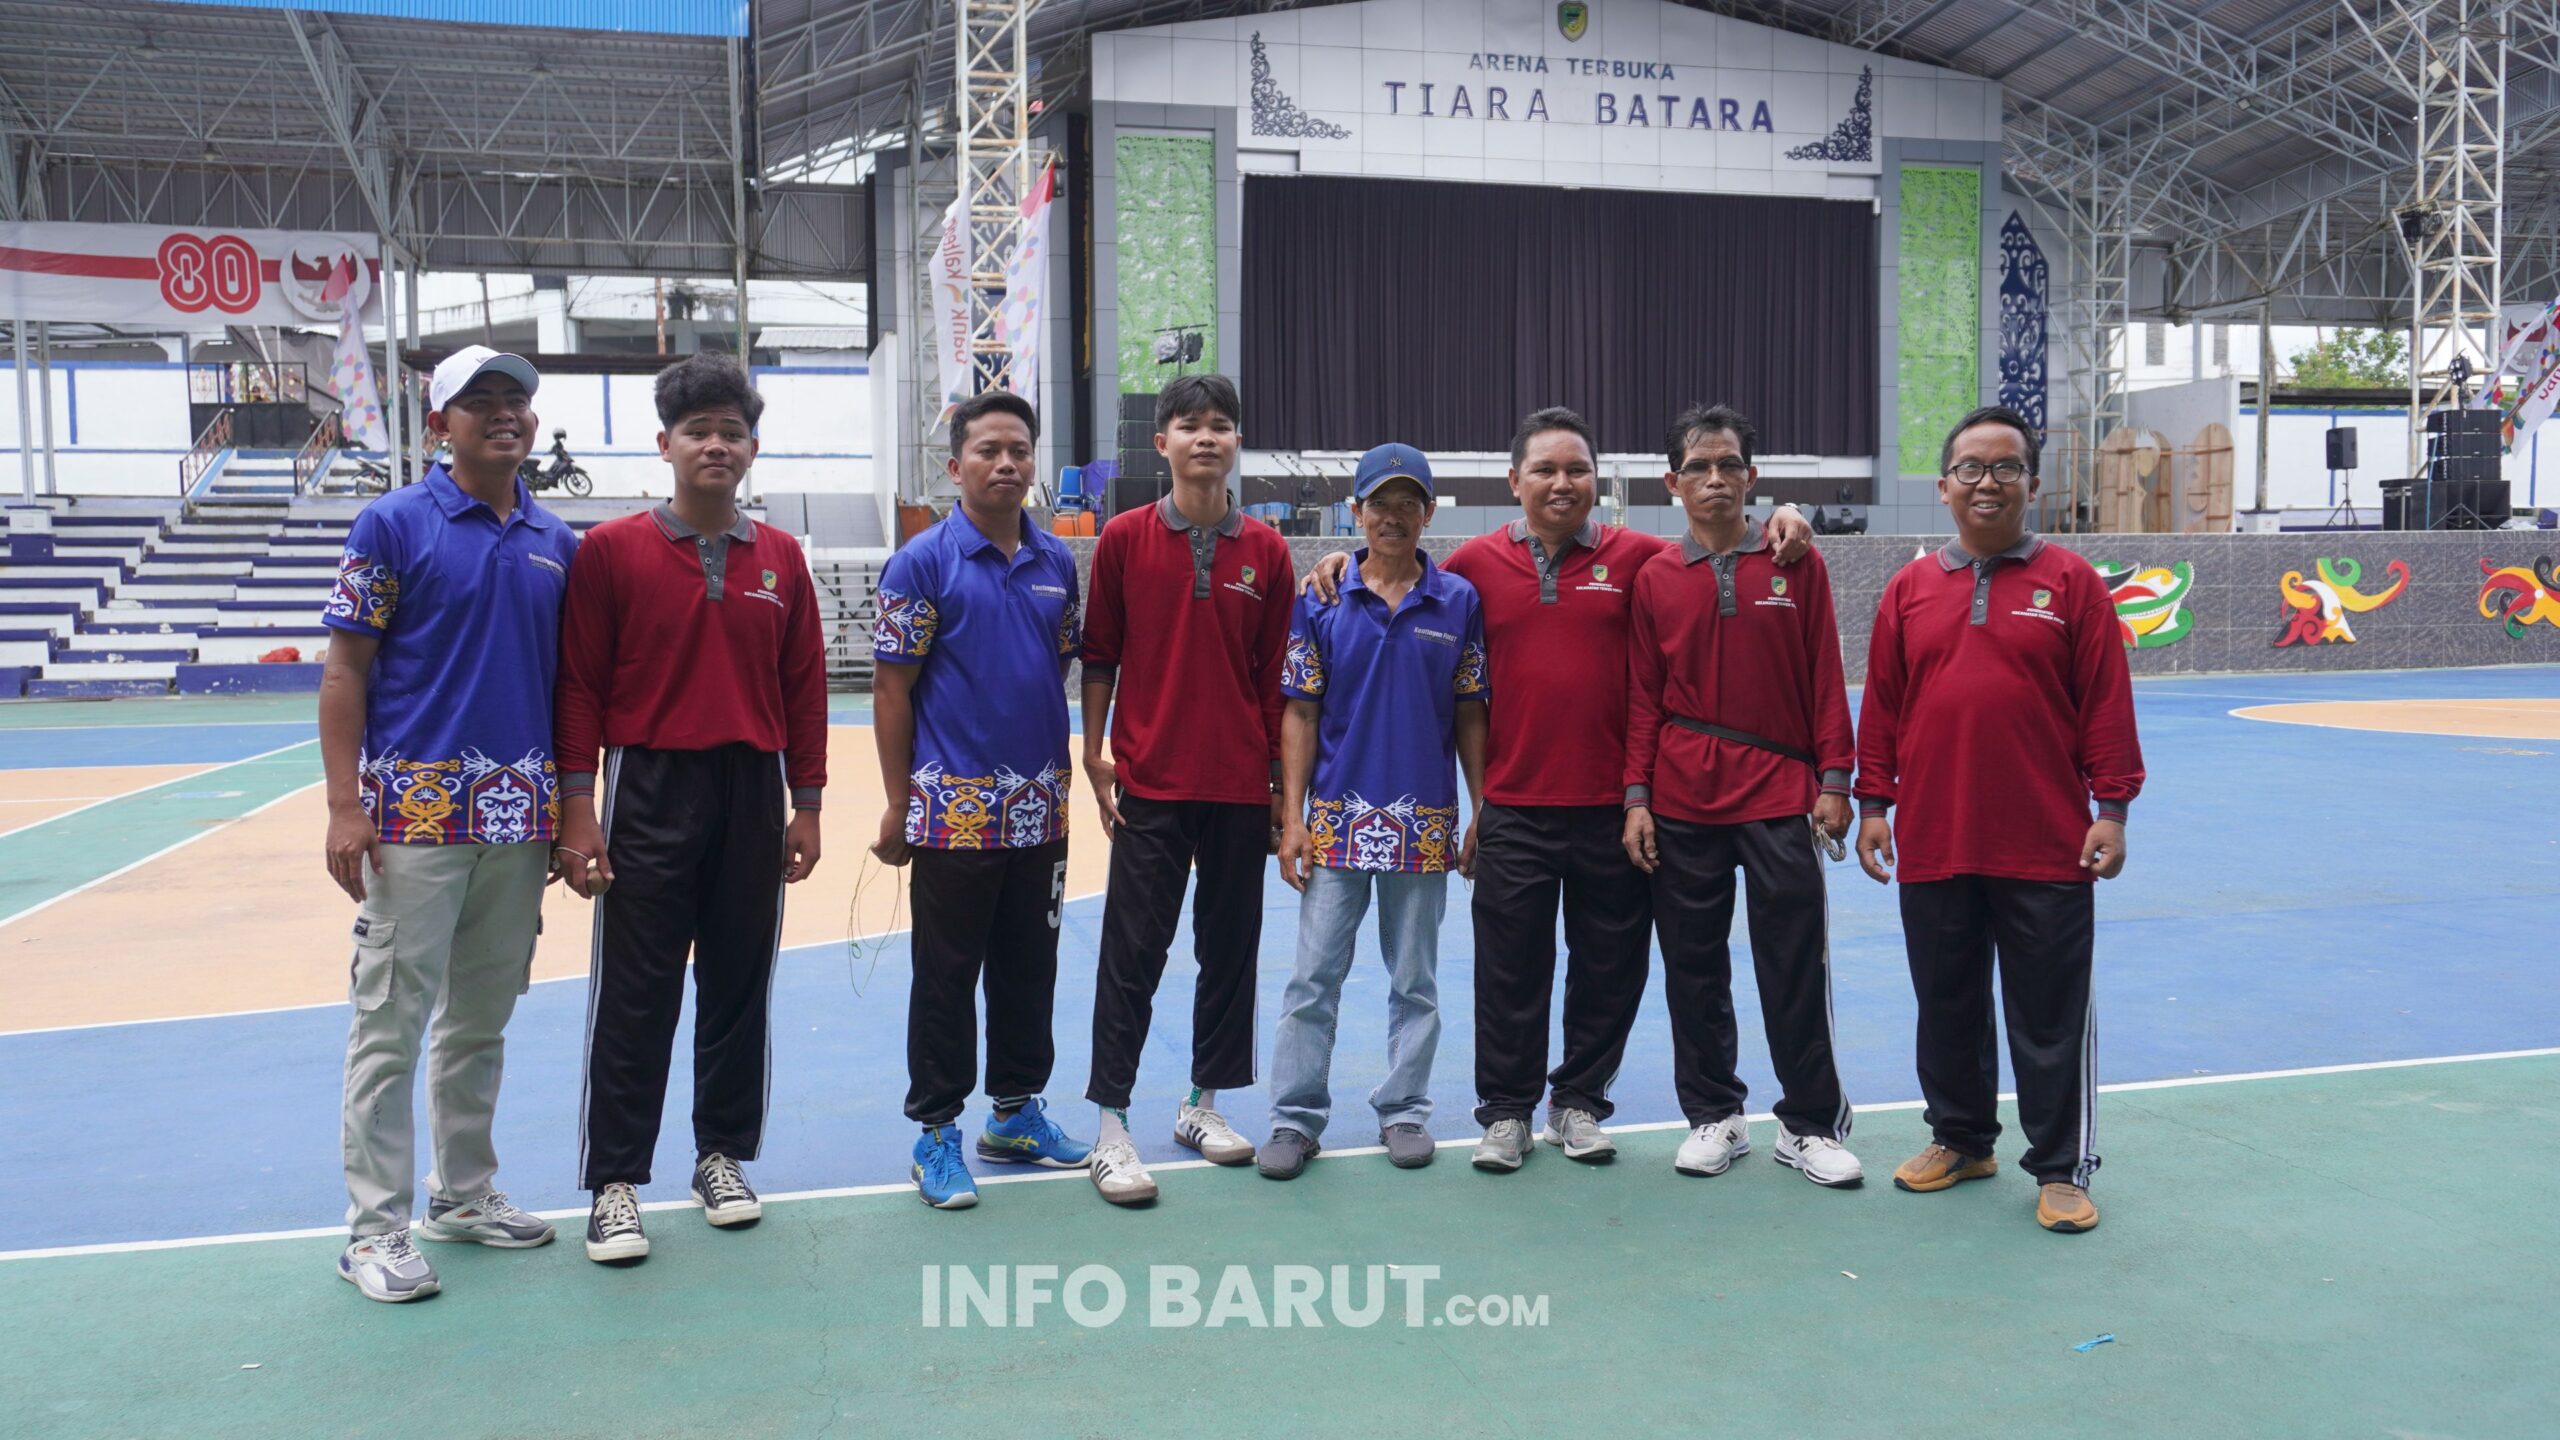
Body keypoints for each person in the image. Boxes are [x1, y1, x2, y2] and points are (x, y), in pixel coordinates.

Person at [1307, 409, 1812, 1173]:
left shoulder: (1639, 558)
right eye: (1544, 470)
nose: (1561, 483)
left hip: (1615, 812)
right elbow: (1401, 567)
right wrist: (1339, 561)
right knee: (1509, 970)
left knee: (1609, 970)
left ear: (1596, 482)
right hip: (1512, 809)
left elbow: (1716, 537)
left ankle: (1577, 1102)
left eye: (1577, 470)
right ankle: (1506, 1112)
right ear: (1516, 481)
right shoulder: (1475, 565)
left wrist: (1784, 515)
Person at [552, 353, 829, 1263]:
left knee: (739, 985)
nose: (716, 445)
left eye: (732, 432)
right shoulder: (610, 550)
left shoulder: (780, 558)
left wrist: (807, 804)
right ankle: (615, 1183)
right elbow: (579, 687)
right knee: (637, 992)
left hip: (752, 788)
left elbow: (804, 688)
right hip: (647, 785)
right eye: (698, 431)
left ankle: (722, 1158)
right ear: (663, 444)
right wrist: (579, 808)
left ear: (752, 448)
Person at [321, 345, 576, 1302]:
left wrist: (567, 814)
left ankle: (462, 1196)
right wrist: (344, 804)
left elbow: (568, 690)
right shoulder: (392, 523)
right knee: (390, 1025)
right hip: (411, 822)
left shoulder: (559, 541)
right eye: (480, 401)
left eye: (517, 400)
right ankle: (373, 1231)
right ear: (441, 425)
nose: (505, 413)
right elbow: (345, 669)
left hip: (518, 821)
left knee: (480, 1021)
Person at [1854, 404, 2144, 1234]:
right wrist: (1874, 804)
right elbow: (1884, 708)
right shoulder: (1910, 589)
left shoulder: (2073, 584)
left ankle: (2060, 1167)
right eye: (1971, 468)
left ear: (2033, 483)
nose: (1989, 482)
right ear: (1944, 486)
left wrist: (2112, 809)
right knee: (1946, 1003)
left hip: (2047, 843)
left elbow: (2106, 707)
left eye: (2006, 467)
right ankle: (1961, 1139)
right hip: (1935, 839)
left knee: (2049, 1014)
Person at [1622, 405, 1859, 1187]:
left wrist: (1835, 779)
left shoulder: (1797, 562)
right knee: (1692, 969)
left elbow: (1825, 674)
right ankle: (1714, 1114)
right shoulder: (1654, 577)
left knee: (1793, 965)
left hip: (1780, 794)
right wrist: (1637, 796)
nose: (1715, 478)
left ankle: (1809, 1124)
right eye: (1699, 467)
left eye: (1729, 465)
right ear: (1673, 483)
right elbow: (1642, 698)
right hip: (1683, 800)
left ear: (1752, 477)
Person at [870, 391, 1094, 1210]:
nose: (1006, 463)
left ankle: (1015, 1114)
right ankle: (936, 1132)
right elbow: (892, 690)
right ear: (955, 465)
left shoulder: (1056, 561)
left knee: (1029, 971)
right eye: (989, 450)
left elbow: (1056, 665)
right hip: (950, 816)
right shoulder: (922, 562)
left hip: (1040, 811)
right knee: (946, 980)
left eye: (1019, 450)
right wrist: (900, 801)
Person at [1080, 373, 1295, 1206]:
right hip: (1152, 780)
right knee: (1131, 955)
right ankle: (1111, 1126)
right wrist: (1095, 752)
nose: (1207, 437)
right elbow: (1101, 655)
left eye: (1222, 425)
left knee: (1229, 951)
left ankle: (1203, 1104)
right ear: (1162, 441)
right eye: (1191, 424)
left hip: (1238, 785)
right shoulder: (1124, 540)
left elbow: (1275, 683)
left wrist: (1280, 790)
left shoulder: (1268, 551)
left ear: (1237, 442)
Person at [1261, 444, 1489, 1180]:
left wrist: (1480, 807)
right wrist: (1295, 818)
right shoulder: (1322, 598)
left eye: (1407, 504)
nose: (1393, 516)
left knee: (1415, 981)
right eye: (1379, 504)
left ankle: (1405, 1109)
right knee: (1312, 980)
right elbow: (1299, 711)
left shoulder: (1457, 602)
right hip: (1336, 823)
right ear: (1356, 512)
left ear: (1428, 513)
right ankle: (1295, 1118)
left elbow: (1470, 712)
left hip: (1424, 826)